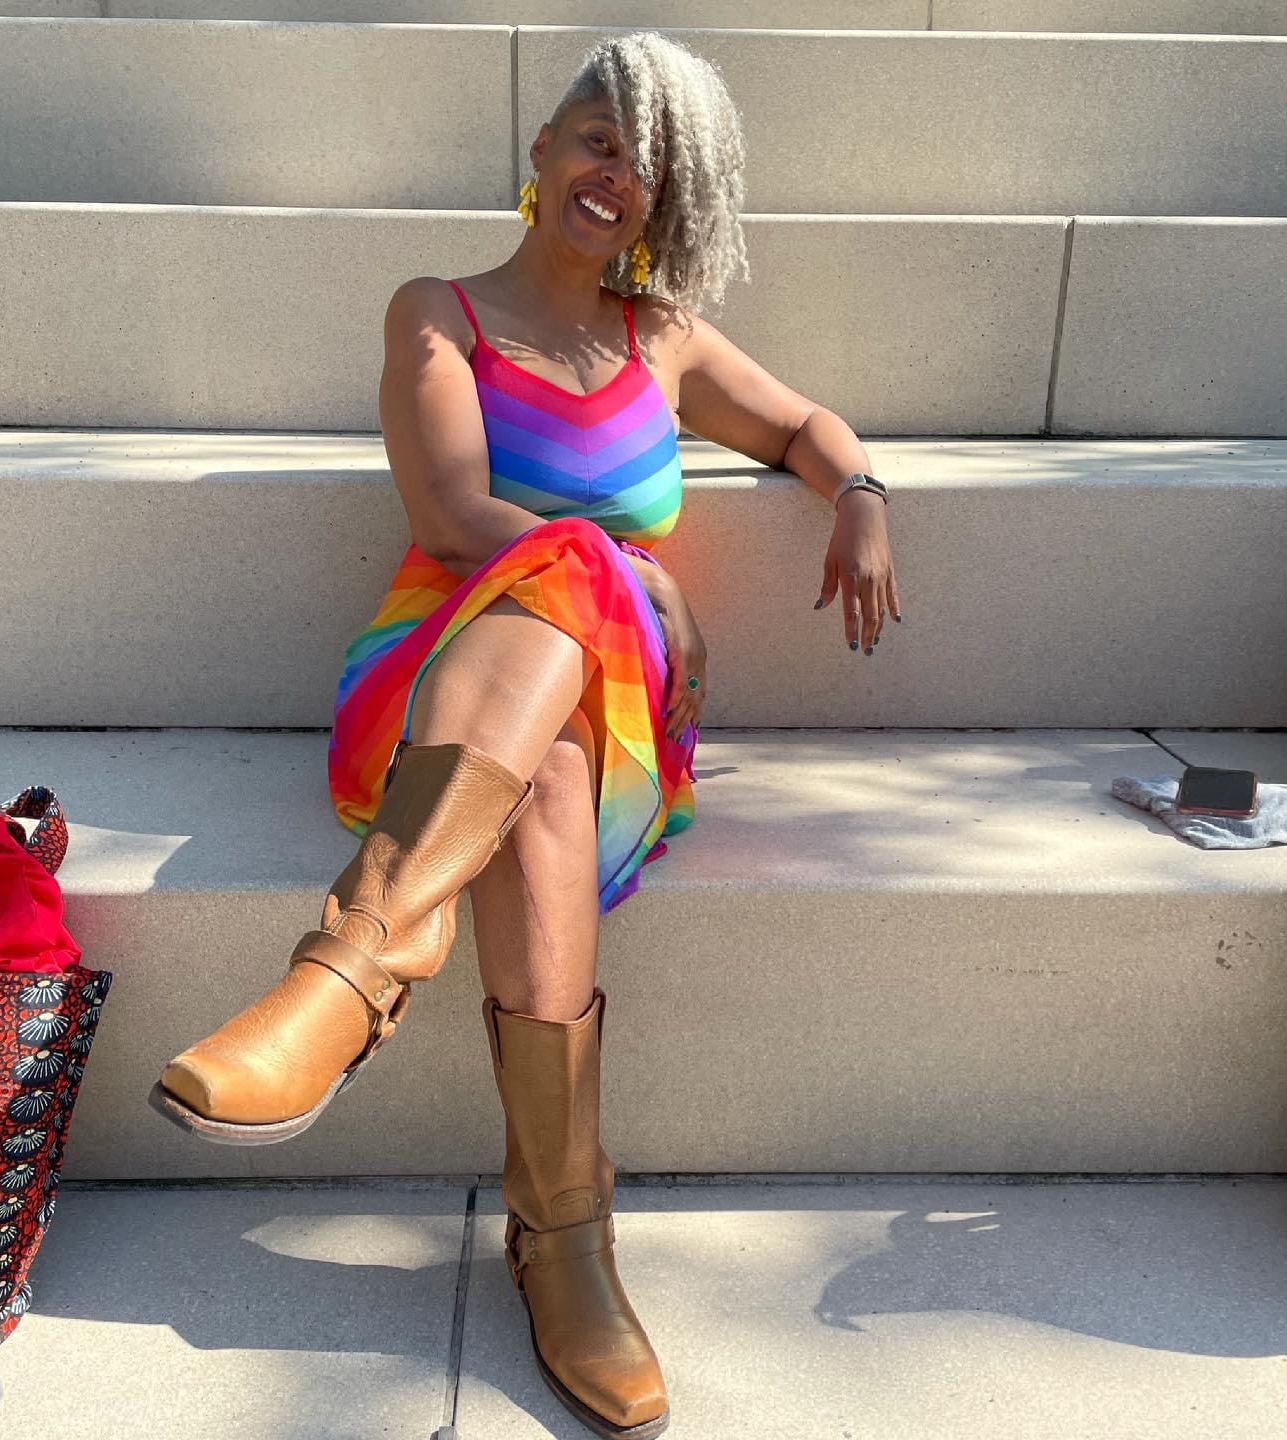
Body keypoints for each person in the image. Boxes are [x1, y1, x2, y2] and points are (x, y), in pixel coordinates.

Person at [149, 30, 900, 1439]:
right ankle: (564, 1240)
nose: (616, 171)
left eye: (648, 160)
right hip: (440, 678)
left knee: (564, 736)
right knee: (557, 599)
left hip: (613, 721)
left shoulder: (662, 337)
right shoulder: (437, 310)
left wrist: (858, 487)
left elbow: (800, 422)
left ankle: (354, 971)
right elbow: (448, 514)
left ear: (671, 203)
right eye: (596, 136)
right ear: (541, 155)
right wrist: (628, 569)